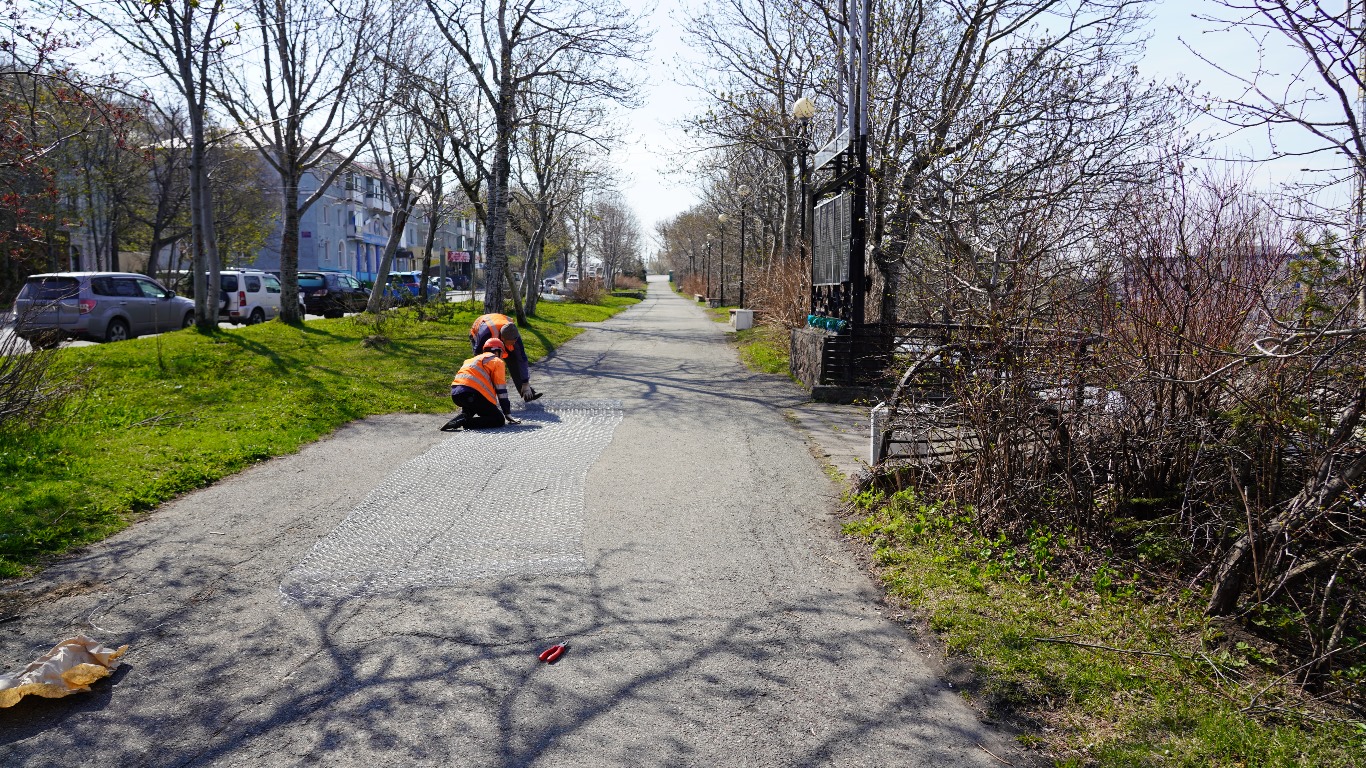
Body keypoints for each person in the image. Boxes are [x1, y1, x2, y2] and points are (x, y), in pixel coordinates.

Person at [443, 338, 520, 431]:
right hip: (472, 394)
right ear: (496, 352)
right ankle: (466, 422)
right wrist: (507, 413)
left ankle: (465, 415)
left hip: (456, 394)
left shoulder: (472, 360)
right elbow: (501, 390)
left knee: (475, 404)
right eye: (501, 354)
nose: (501, 358)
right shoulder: (496, 361)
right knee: (498, 419)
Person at [470, 312, 543, 402]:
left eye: (515, 341)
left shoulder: (514, 335)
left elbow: (522, 359)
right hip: (479, 332)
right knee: (486, 365)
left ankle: (527, 392)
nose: (514, 343)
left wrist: (525, 382)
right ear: (503, 339)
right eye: (511, 342)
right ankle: (481, 397)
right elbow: (478, 356)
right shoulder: (485, 334)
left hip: (498, 328)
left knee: (514, 360)